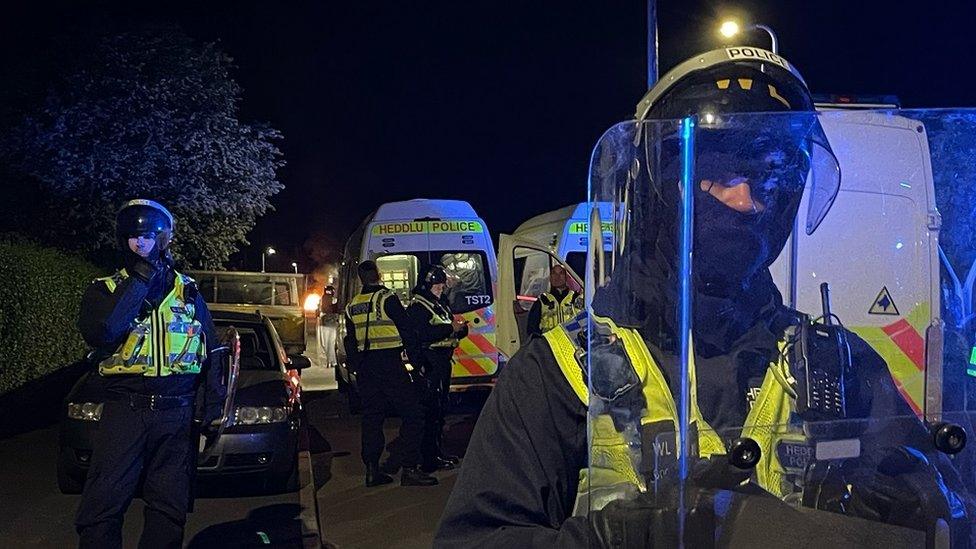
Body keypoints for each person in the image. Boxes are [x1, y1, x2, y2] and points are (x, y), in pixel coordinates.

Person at [435, 48, 973, 547]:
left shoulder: (839, 364)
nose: (747, 201)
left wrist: (929, 500)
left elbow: (945, 498)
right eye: (718, 172)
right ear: (657, 188)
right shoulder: (561, 375)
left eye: (769, 178)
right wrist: (608, 540)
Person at [75, 199, 227, 549]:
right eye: (131, 236)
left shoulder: (188, 291)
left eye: (146, 235)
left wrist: (211, 405)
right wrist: (141, 280)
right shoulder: (106, 288)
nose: (139, 243)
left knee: (169, 505)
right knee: (103, 503)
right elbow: (103, 332)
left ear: (164, 238)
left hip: (177, 411)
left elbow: (211, 347)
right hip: (126, 408)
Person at [343, 260, 437, 487]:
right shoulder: (388, 299)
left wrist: (357, 366)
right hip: (390, 364)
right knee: (413, 413)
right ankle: (410, 469)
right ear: (379, 275)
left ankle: (372, 470)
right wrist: (415, 363)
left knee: (372, 418)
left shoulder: (352, 305)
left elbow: (349, 342)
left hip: (366, 369)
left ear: (360, 279)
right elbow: (408, 331)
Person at [405, 265, 468, 472]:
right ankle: (428, 459)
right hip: (430, 363)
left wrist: (460, 329)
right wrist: (451, 328)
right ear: (427, 285)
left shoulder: (438, 304)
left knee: (440, 411)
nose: (441, 288)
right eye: (437, 285)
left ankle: (437, 453)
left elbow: (447, 329)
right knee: (430, 412)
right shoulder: (418, 307)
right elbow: (423, 333)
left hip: (441, 362)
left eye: (442, 285)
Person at [527, 264, 583, 336]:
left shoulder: (576, 298)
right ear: (550, 277)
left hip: (572, 342)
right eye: (554, 273)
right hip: (550, 344)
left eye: (561, 273)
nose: (557, 277)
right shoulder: (542, 300)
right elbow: (532, 329)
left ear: (566, 277)